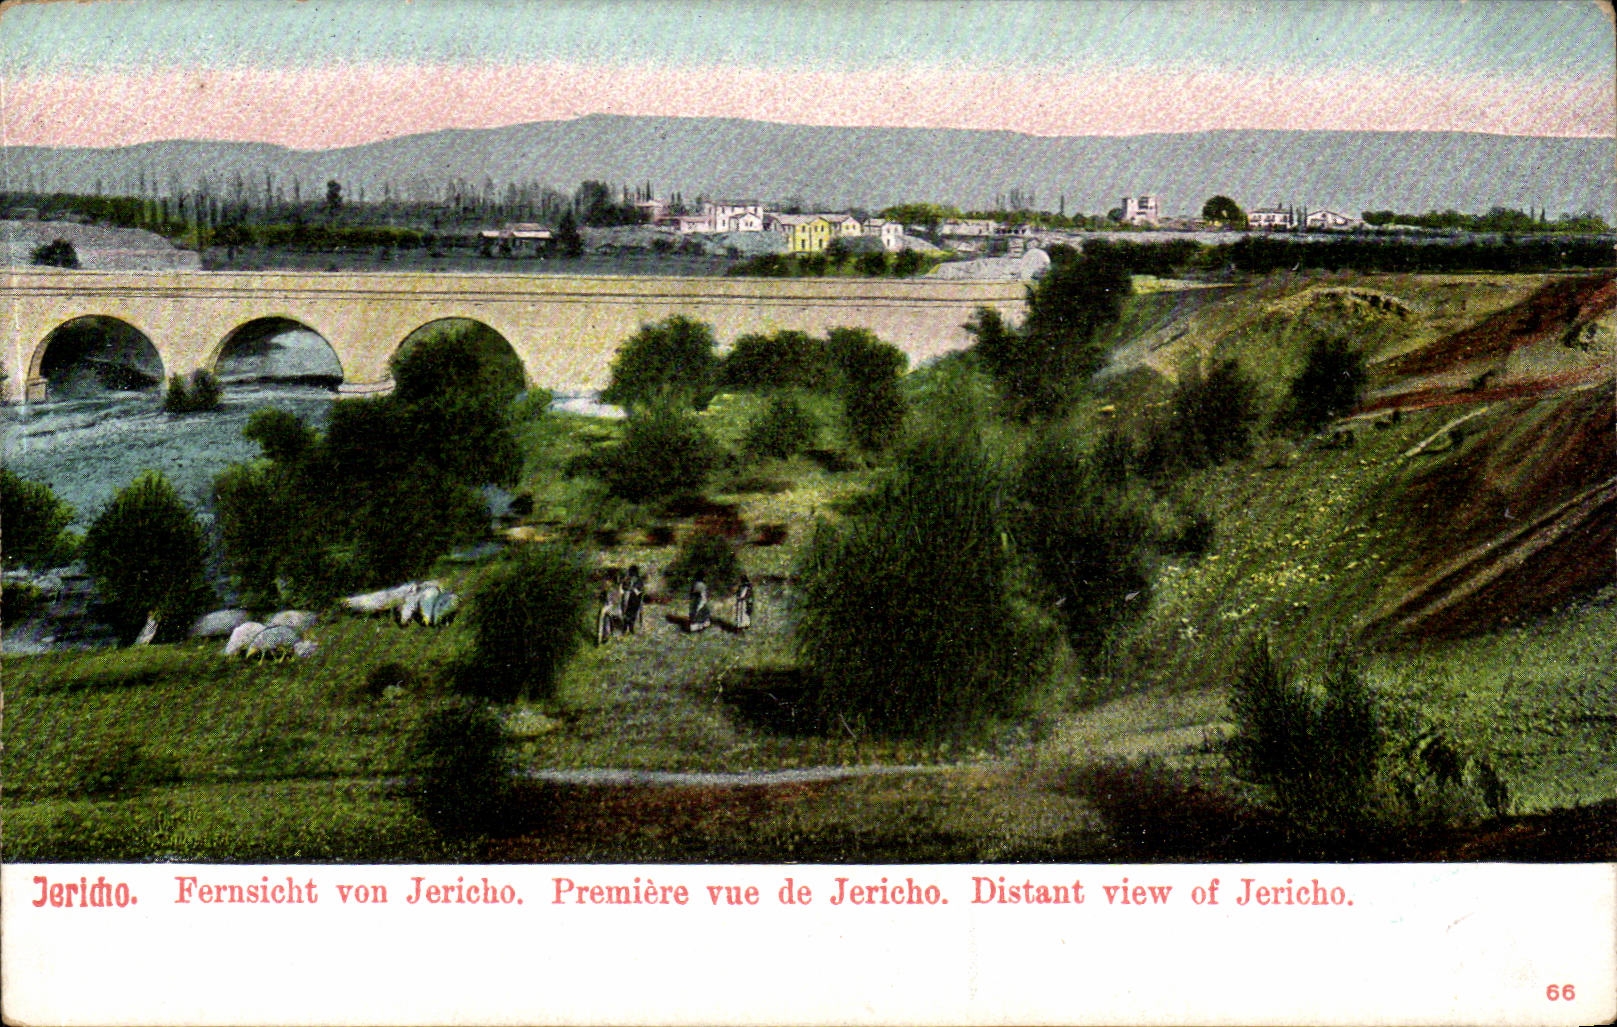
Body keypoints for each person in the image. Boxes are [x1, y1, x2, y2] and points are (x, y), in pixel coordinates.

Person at [597, 576, 624, 645]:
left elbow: (615, 601)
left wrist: (607, 608)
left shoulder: (614, 591)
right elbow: (604, 601)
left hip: (615, 610)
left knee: (616, 621)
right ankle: (605, 637)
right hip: (609, 610)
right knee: (606, 621)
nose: (604, 585)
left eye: (606, 583)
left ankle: (618, 637)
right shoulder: (606, 592)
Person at [622, 564, 645, 634]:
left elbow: (640, 590)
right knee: (626, 613)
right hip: (627, 599)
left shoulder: (639, 580)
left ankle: (631, 628)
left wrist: (634, 590)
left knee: (633, 614)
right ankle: (625, 628)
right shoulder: (627, 580)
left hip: (635, 599)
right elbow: (624, 587)